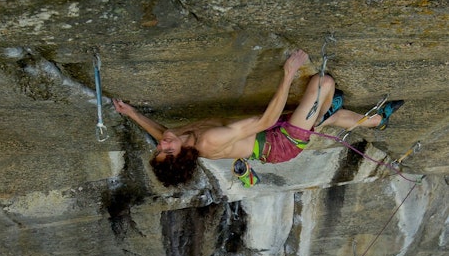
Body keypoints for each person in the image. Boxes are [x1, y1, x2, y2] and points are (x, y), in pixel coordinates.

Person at [113, 49, 404, 186]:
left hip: (266, 136)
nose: (163, 142)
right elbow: (265, 121)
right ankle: (320, 116)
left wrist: (132, 113)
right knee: (323, 84)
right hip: (280, 142)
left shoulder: (176, 138)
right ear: (184, 155)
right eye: (167, 150)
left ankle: (374, 121)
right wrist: (288, 74)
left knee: (334, 112)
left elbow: (159, 131)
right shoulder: (210, 140)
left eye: (159, 149)